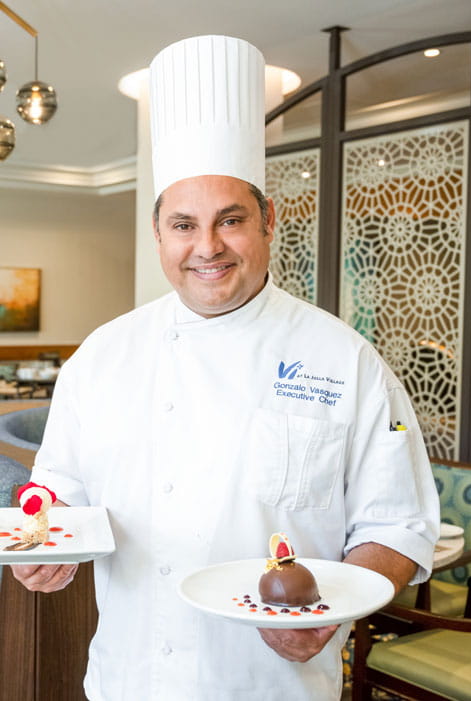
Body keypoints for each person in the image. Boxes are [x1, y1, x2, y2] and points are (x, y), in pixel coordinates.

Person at [11, 35, 439, 700]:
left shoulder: (344, 359)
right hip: (128, 678)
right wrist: (50, 557)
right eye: (183, 224)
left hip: (274, 683)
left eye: (230, 220)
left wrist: (331, 611)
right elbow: (57, 493)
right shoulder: (102, 356)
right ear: (159, 235)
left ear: (268, 220)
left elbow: (400, 526)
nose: (206, 247)